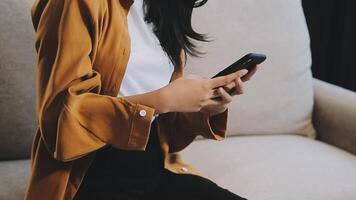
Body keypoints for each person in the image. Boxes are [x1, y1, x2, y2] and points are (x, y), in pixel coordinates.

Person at [25, 0, 259, 199]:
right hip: (88, 180)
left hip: (154, 172)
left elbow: (163, 129)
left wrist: (204, 106)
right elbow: (58, 124)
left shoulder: (165, 7)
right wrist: (162, 100)